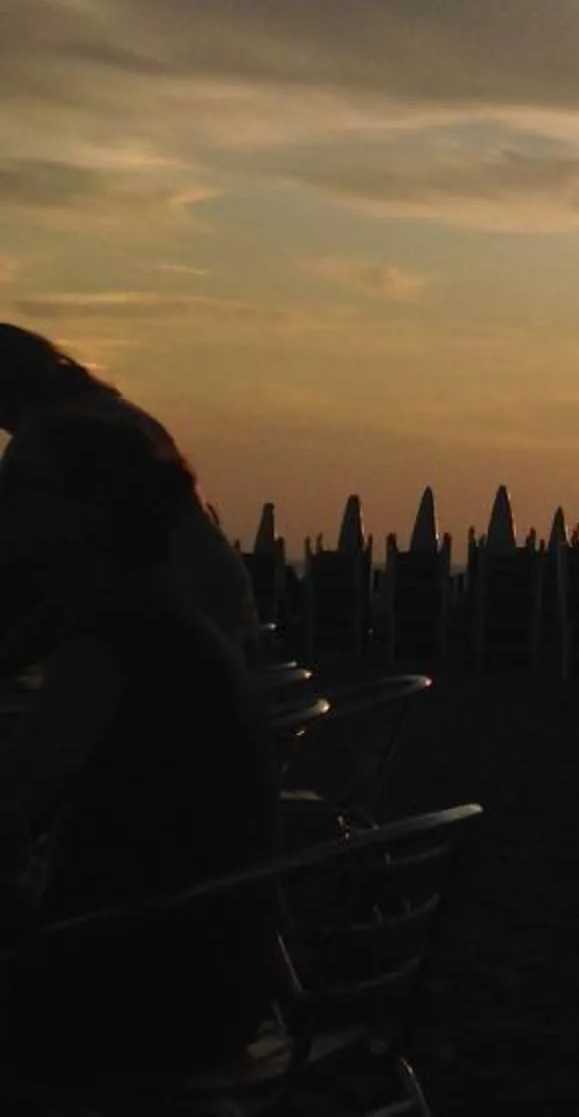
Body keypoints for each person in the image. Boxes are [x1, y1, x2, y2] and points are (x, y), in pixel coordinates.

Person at [0, 405, 280, 1075]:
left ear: (88, 512)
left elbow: (8, 813)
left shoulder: (113, 645)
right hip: (220, 977)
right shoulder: (163, 615)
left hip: (142, 996)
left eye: (18, 487)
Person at [0, 325, 262, 667]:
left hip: (167, 615)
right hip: (213, 605)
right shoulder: (113, 415)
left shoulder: (50, 439)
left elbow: (25, 550)